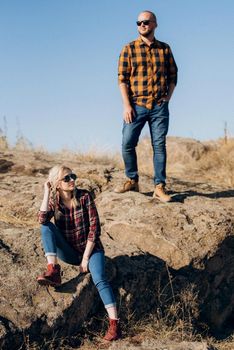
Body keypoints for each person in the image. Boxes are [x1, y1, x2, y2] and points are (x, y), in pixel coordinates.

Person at [37, 165, 121, 341]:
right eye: (66, 178)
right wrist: (46, 191)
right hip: (69, 252)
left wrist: (85, 259)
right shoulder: (55, 200)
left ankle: (114, 325)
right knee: (46, 227)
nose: (72, 180)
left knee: (99, 278)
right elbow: (43, 219)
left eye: (72, 176)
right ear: (57, 184)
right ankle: (53, 270)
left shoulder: (84, 196)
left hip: (92, 251)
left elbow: (94, 229)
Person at [115, 10, 178, 202]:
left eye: (146, 22)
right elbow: (122, 79)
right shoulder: (129, 48)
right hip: (136, 105)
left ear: (154, 25)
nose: (142, 25)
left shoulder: (164, 49)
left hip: (159, 107)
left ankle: (159, 186)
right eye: (139, 22)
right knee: (127, 143)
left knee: (159, 145)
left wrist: (167, 97)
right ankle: (132, 179)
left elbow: (174, 75)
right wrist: (127, 105)